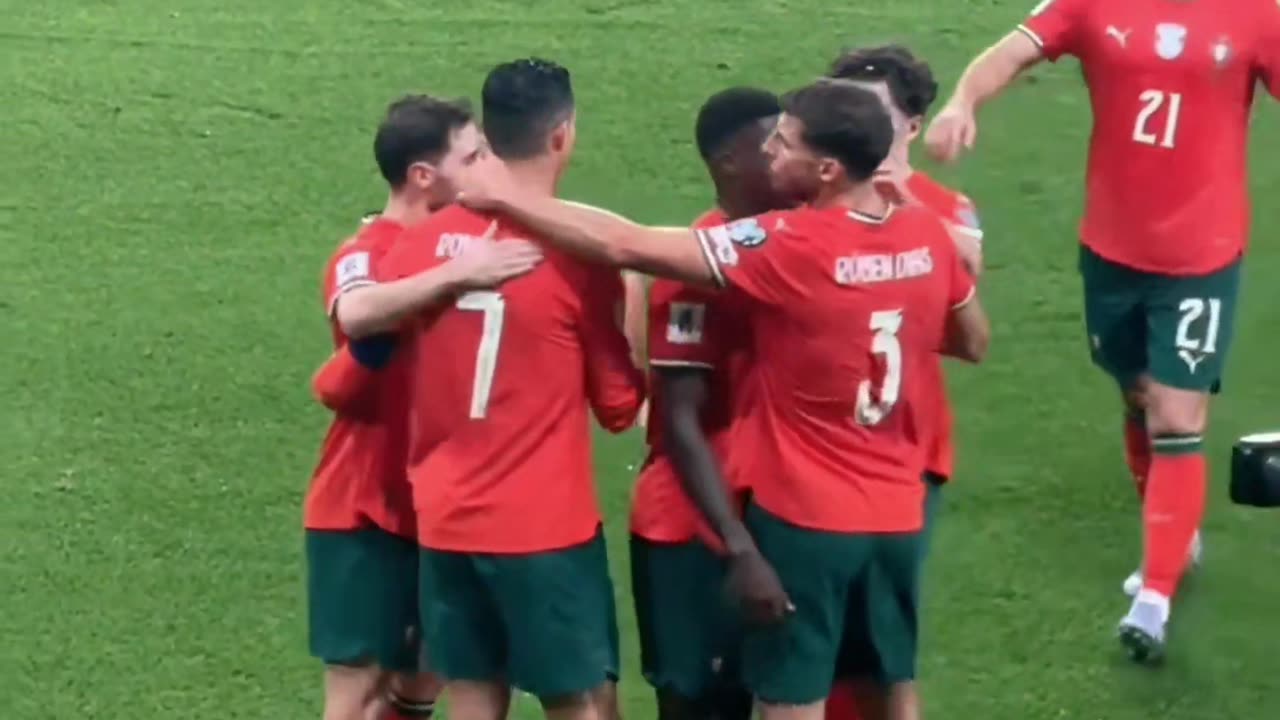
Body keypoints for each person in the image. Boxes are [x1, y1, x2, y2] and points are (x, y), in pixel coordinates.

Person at [457, 79, 991, 720]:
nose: (772, 151)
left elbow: (624, 244)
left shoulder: (791, 244)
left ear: (826, 168)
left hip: (809, 519)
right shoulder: (924, 231)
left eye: (784, 142)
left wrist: (503, 196)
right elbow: (973, 341)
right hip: (900, 514)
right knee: (888, 688)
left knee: (789, 700)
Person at [924, 0, 1280, 663]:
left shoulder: (1258, 13)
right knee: (1138, 394)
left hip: (1201, 255)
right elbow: (1013, 51)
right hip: (1112, 249)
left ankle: (1154, 598)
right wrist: (962, 102)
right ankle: (1173, 530)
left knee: (1176, 414)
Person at [375, 58, 646, 720]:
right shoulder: (578, 259)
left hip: (445, 516)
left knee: (472, 693)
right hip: (544, 527)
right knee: (574, 701)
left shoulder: (419, 246)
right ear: (562, 135)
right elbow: (619, 406)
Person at [304, 96, 542, 720]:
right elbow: (357, 311)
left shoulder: (475, 239)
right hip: (363, 504)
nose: (490, 165)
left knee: (423, 684)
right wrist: (458, 275)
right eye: (473, 156)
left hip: (442, 503)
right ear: (422, 176)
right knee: (357, 690)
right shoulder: (366, 252)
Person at [822, 45, 984, 720]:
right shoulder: (813, 197)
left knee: (888, 653)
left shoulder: (948, 209)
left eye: (875, 113)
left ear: (912, 126)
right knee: (814, 638)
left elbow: (967, 312)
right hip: (816, 446)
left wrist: (905, 205)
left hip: (905, 450)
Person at [629, 86, 788, 720]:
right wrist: (737, 545)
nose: (788, 156)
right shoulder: (694, 267)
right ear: (729, 162)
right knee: (699, 701)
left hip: (763, 505)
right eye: (773, 145)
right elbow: (678, 421)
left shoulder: (788, 242)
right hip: (693, 524)